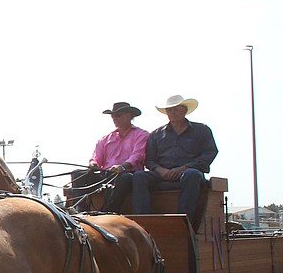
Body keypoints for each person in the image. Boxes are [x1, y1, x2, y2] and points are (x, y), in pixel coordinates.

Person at [131, 94, 219, 228]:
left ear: (185, 110)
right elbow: (150, 160)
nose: (173, 112)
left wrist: (184, 167)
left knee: (192, 174)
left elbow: (210, 153)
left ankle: (183, 222)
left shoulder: (202, 130)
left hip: (189, 172)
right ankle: (142, 222)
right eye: (170, 110)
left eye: (176, 109)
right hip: (162, 174)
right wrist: (161, 170)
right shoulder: (156, 134)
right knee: (139, 176)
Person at [87, 101, 149, 211]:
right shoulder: (104, 139)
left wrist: (122, 166)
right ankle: (79, 211)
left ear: (128, 116)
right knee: (79, 174)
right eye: (112, 116)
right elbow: (96, 158)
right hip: (107, 175)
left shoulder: (141, 135)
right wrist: (93, 164)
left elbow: (138, 155)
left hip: (129, 174)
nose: (114, 118)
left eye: (118, 115)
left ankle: (109, 211)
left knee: (123, 177)